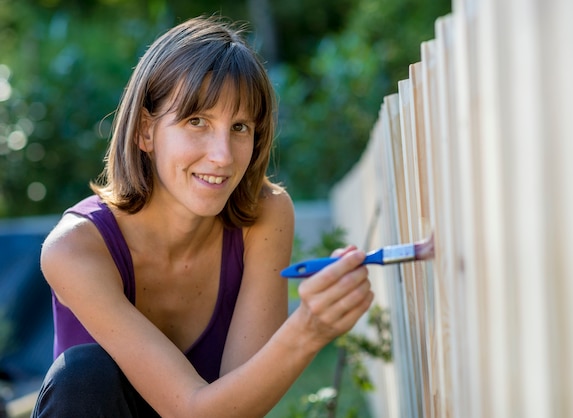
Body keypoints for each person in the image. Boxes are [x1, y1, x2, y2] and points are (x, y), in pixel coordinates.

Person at [32, 15, 373, 418]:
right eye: (197, 121)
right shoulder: (74, 249)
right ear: (145, 130)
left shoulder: (265, 215)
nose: (223, 155)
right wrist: (308, 330)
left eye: (241, 127)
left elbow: (239, 408)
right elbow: (191, 410)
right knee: (83, 376)